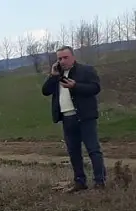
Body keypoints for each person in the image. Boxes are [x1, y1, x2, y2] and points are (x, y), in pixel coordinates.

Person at [41, 45, 106, 192]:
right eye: (59, 58)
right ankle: (79, 182)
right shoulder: (57, 74)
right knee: (74, 152)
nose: (62, 61)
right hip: (67, 118)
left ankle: (99, 182)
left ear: (73, 57)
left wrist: (75, 86)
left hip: (85, 116)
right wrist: (53, 76)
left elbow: (95, 88)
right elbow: (45, 91)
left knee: (93, 149)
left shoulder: (86, 70)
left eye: (65, 57)